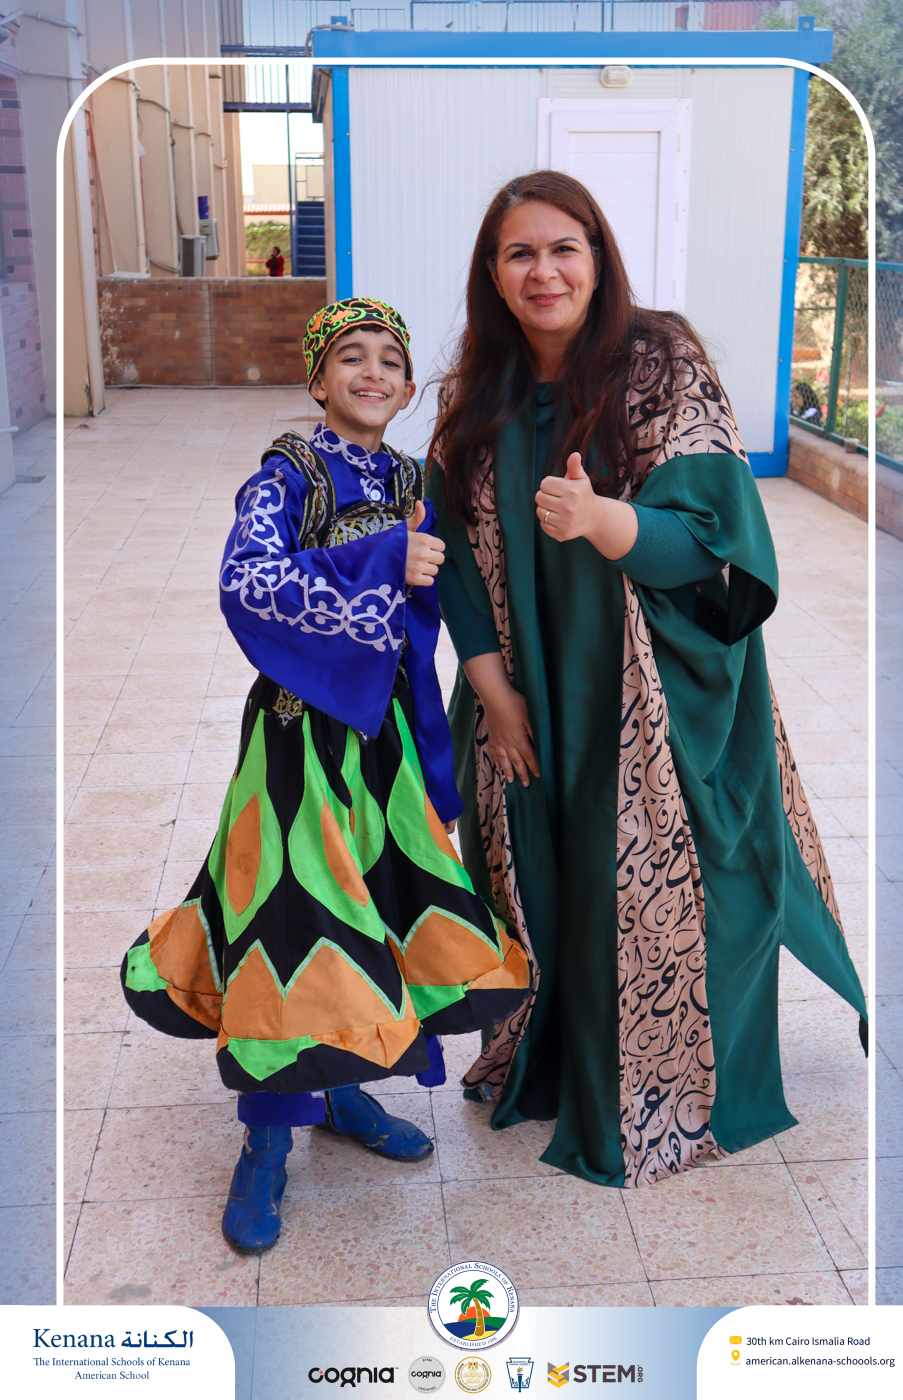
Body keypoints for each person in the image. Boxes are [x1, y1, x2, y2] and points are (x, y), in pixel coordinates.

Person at [427, 171, 866, 1190]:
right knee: (540, 876)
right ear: (492, 272)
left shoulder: (659, 362)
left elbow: (714, 542)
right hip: (524, 687)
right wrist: (493, 695)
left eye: (563, 248)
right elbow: (452, 557)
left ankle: (661, 1085)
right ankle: (553, 1060)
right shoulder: (476, 389)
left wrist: (602, 520)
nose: (543, 271)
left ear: (598, 257)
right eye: (520, 253)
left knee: (662, 880)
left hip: (648, 685)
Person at [121, 297, 530, 1250]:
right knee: (294, 925)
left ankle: (343, 1092)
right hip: (299, 748)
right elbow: (247, 583)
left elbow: (422, 616)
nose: (373, 372)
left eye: (390, 358)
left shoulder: (405, 476)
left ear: (408, 387)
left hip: (381, 743)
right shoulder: (287, 474)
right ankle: (266, 1144)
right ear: (317, 381)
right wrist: (383, 555)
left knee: (374, 911)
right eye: (351, 356)